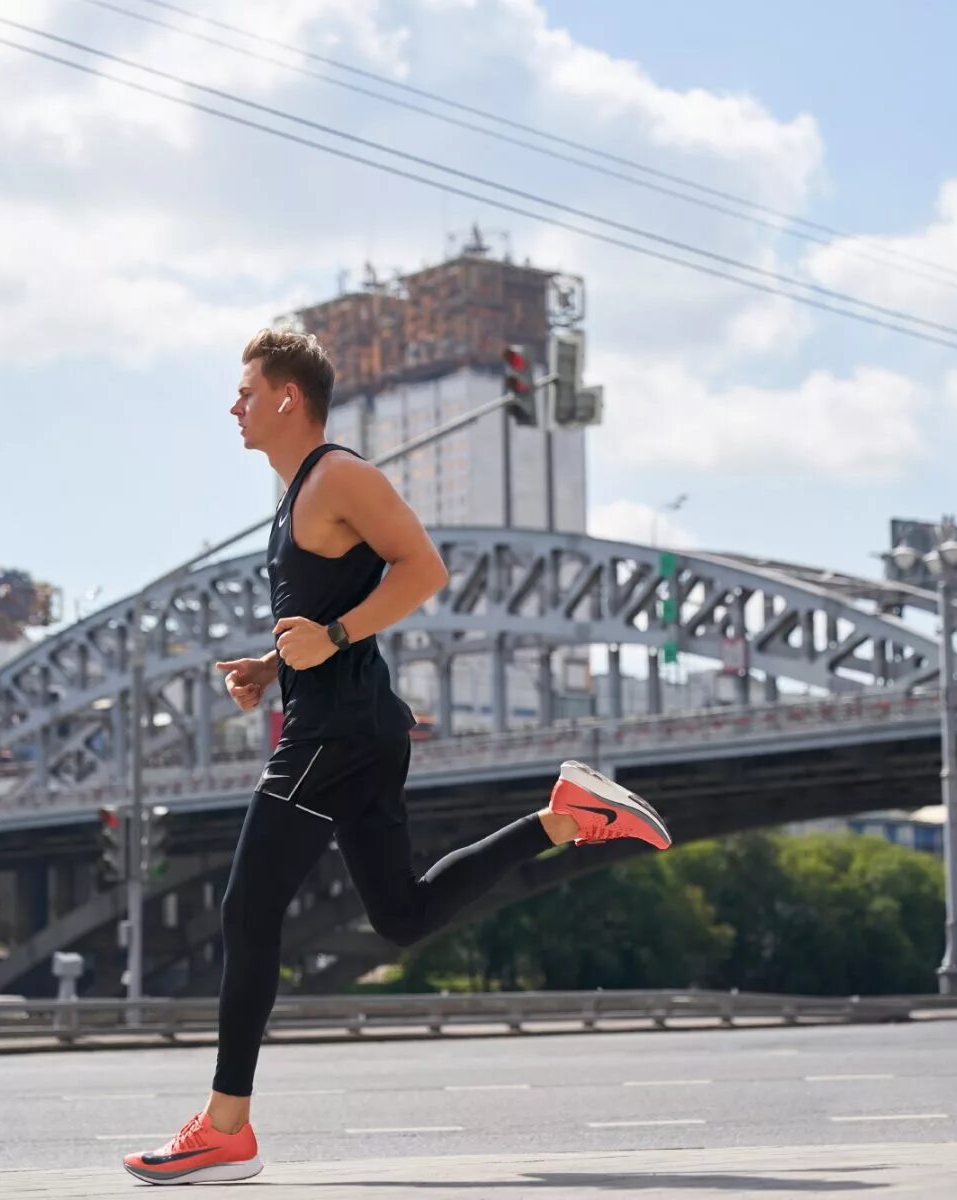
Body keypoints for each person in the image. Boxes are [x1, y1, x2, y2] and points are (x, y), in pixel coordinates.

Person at [123, 329, 672, 1186]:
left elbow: (425, 569)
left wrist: (334, 637)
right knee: (404, 917)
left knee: (245, 913)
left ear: (286, 398)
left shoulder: (339, 476)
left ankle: (225, 1128)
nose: (232, 405)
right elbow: (331, 612)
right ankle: (566, 815)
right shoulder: (293, 494)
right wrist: (275, 665)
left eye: (244, 390)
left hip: (334, 736)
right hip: (355, 726)